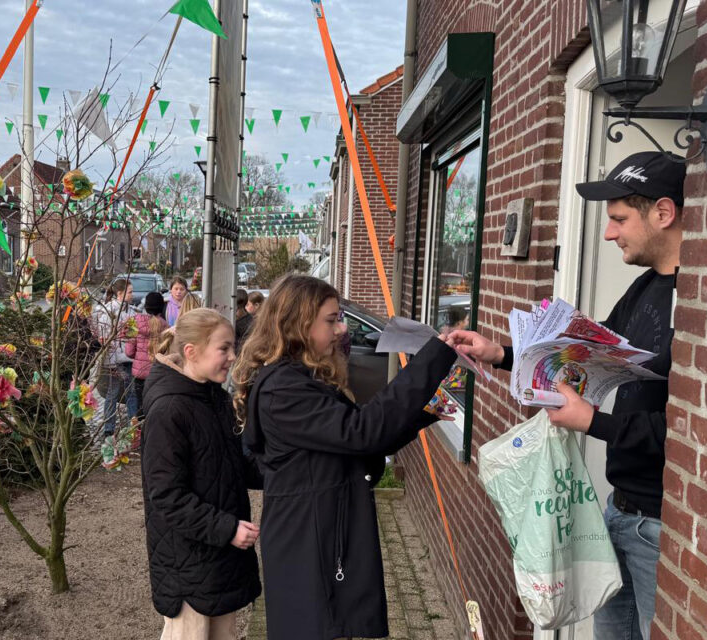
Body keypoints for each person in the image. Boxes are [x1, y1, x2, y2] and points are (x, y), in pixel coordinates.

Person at [445, 151, 683, 640]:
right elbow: (585, 360)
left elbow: (692, 435)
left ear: (663, 213)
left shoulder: (699, 301)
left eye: (619, 219)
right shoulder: (642, 291)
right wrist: (500, 352)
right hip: (620, 510)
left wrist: (594, 423)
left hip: (664, 528)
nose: (609, 233)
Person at [232, 274, 456, 639]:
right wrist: (434, 359)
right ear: (299, 324)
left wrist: (423, 413)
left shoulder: (299, 378)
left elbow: (359, 440)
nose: (341, 328)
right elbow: (362, 432)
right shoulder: (285, 390)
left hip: (320, 539)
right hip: (310, 548)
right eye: (332, 319)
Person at [142, 309, 261, 640]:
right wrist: (228, 529)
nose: (233, 357)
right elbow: (167, 496)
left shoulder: (214, 399)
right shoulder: (169, 410)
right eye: (224, 348)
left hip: (220, 562)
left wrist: (289, 469)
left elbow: (237, 465)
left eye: (232, 347)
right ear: (191, 351)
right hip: (189, 570)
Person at [93, 279, 138, 436]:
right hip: (113, 360)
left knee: (131, 393)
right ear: (120, 294)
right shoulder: (109, 310)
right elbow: (104, 335)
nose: (133, 294)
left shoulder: (131, 310)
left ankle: (134, 425)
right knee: (112, 394)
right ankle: (108, 428)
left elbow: (135, 333)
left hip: (128, 358)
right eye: (130, 292)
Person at [125, 291, 168, 420]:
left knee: (140, 407)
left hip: (139, 374)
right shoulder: (166, 327)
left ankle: (140, 435)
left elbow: (128, 351)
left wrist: (139, 356)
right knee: (154, 406)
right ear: (161, 307)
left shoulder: (135, 323)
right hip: (157, 373)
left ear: (146, 306)